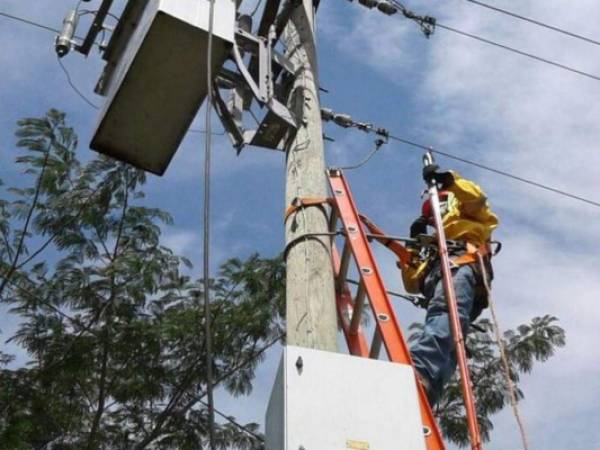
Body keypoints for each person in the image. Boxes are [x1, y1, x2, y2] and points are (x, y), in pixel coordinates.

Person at [403, 165, 499, 406]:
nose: (437, 213)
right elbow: (412, 283)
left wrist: (449, 182)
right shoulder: (434, 246)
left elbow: (476, 198)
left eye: (441, 204)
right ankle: (428, 389)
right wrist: (413, 248)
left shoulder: (470, 216)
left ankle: (419, 368)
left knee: (446, 314)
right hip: (443, 271)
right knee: (451, 338)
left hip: (461, 266)